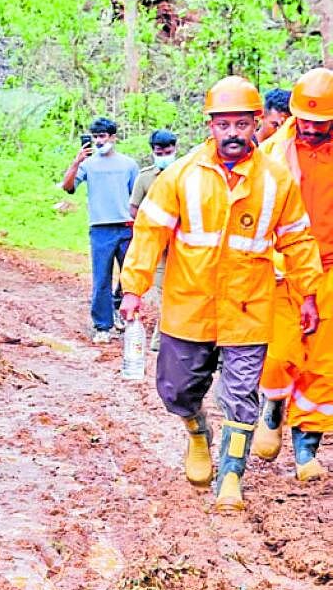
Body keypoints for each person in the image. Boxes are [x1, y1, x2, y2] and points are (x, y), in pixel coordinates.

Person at [120, 76, 322, 513]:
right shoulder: (181, 176)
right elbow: (149, 233)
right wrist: (133, 288)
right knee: (176, 389)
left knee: (240, 392)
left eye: (241, 124)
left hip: (249, 307)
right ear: (209, 126)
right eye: (223, 124)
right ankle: (196, 430)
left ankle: (231, 474)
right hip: (189, 306)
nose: (232, 133)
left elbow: (298, 239)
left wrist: (308, 292)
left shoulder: (276, 180)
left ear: (256, 125)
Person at [253, 68, 333, 481]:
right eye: (307, 119)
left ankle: (307, 447)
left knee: (323, 362)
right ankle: (273, 406)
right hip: (286, 266)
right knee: (280, 351)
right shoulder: (271, 154)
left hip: (331, 269)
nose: (313, 128)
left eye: (322, 122)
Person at [61, 117, 139, 343]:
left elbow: (135, 197)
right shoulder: (88, 164)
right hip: (100, 228)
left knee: (131, 276)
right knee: (101, 278)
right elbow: (68, 187)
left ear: (113, 137)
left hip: (126, 226)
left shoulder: (128, 164)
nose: (98, 141)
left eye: (103, 136)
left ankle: (122, 311)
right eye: (95, 136)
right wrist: (76, 162)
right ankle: (102, 326)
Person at [128, 129, 178, 352]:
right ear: (153, 152)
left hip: (182, 247)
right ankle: (160, 340)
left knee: (177, 293)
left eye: (168, 151)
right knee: (161, 295)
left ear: (175, 149)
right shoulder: (145, 177)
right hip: (159, 248)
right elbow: (134, 209)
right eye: (160, 151)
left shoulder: (185, 173)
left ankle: (167, 340)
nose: (164, 155)